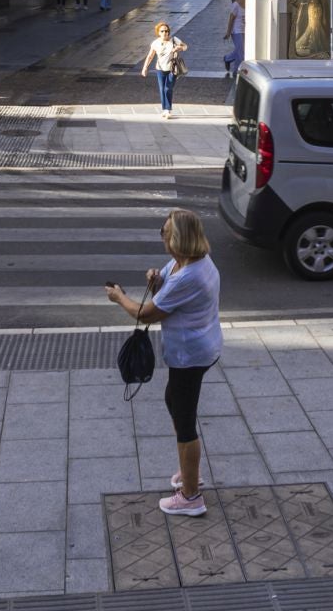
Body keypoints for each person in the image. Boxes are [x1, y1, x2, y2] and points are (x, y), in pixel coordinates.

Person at [104, 209, 222, 518]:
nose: (162, 236)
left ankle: (191, 496)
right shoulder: (189, 261)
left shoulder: (189, 274)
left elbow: (145, 314)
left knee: (184, 421)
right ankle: (189, 473)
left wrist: (119, 297)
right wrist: (157, 282)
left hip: (190, 355)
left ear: (180, 239)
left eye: (166, 232)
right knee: (175, 401)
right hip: (200, 348)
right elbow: (167, 296)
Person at [140, 21, 186, 119]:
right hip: (160, 69)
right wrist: (145, 68)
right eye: (162, 31)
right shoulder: (155, 43)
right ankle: (164, 109)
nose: (165, 33)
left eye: (166, 31)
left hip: (172, 68)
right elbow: (150, 56)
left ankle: (168, 109)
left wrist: (179, 48)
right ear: (158, 32)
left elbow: (185, 46)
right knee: (162, 89)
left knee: (168, 88)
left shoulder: (174, 40)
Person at [222, 0, 246, 80]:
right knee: (240, 53)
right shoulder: (236, 5)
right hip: (236, 31)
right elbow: (231, 19)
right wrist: (228, 33)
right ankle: (236, 72)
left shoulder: (248, 4)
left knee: (239, 50)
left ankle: (227, 58)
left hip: (244, 30)